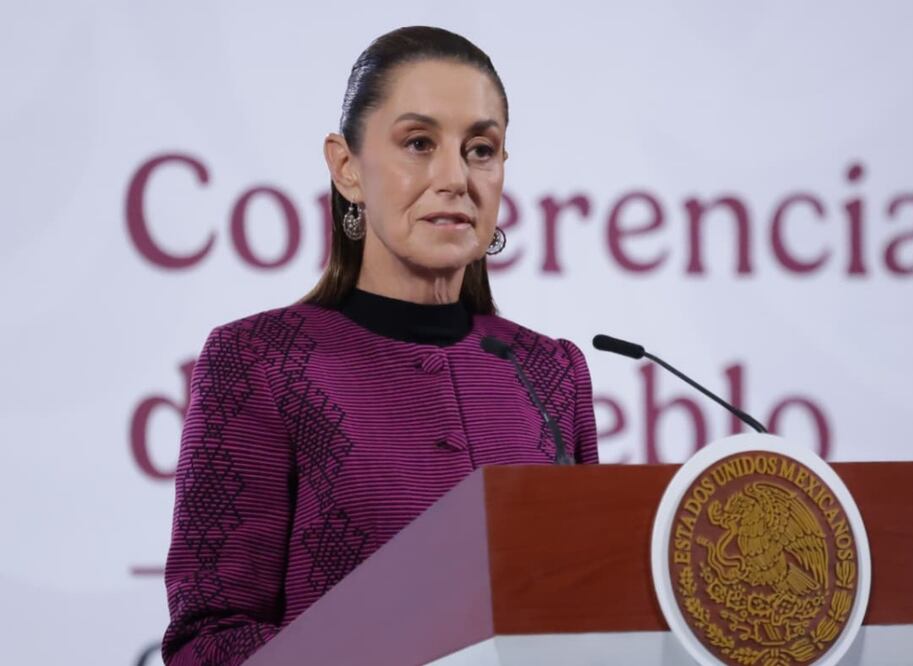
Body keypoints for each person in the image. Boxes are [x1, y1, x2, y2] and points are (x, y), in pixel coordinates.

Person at [161, 26, 599, 666]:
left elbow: (590, 612)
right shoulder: (258, 360)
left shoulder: (551, 372)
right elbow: (206, 643)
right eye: (419, 143)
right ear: (347, 167)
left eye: (481, 149)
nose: (455, 177)